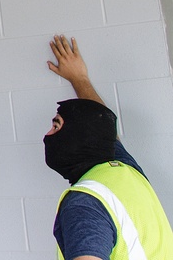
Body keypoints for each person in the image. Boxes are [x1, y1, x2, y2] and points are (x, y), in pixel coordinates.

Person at [44, 34, 172, 259]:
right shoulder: (124, 171)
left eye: (56, 126)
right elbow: (103, 126)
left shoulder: (85, 203)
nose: (47, 136)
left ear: (79, 136)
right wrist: (79, 78)